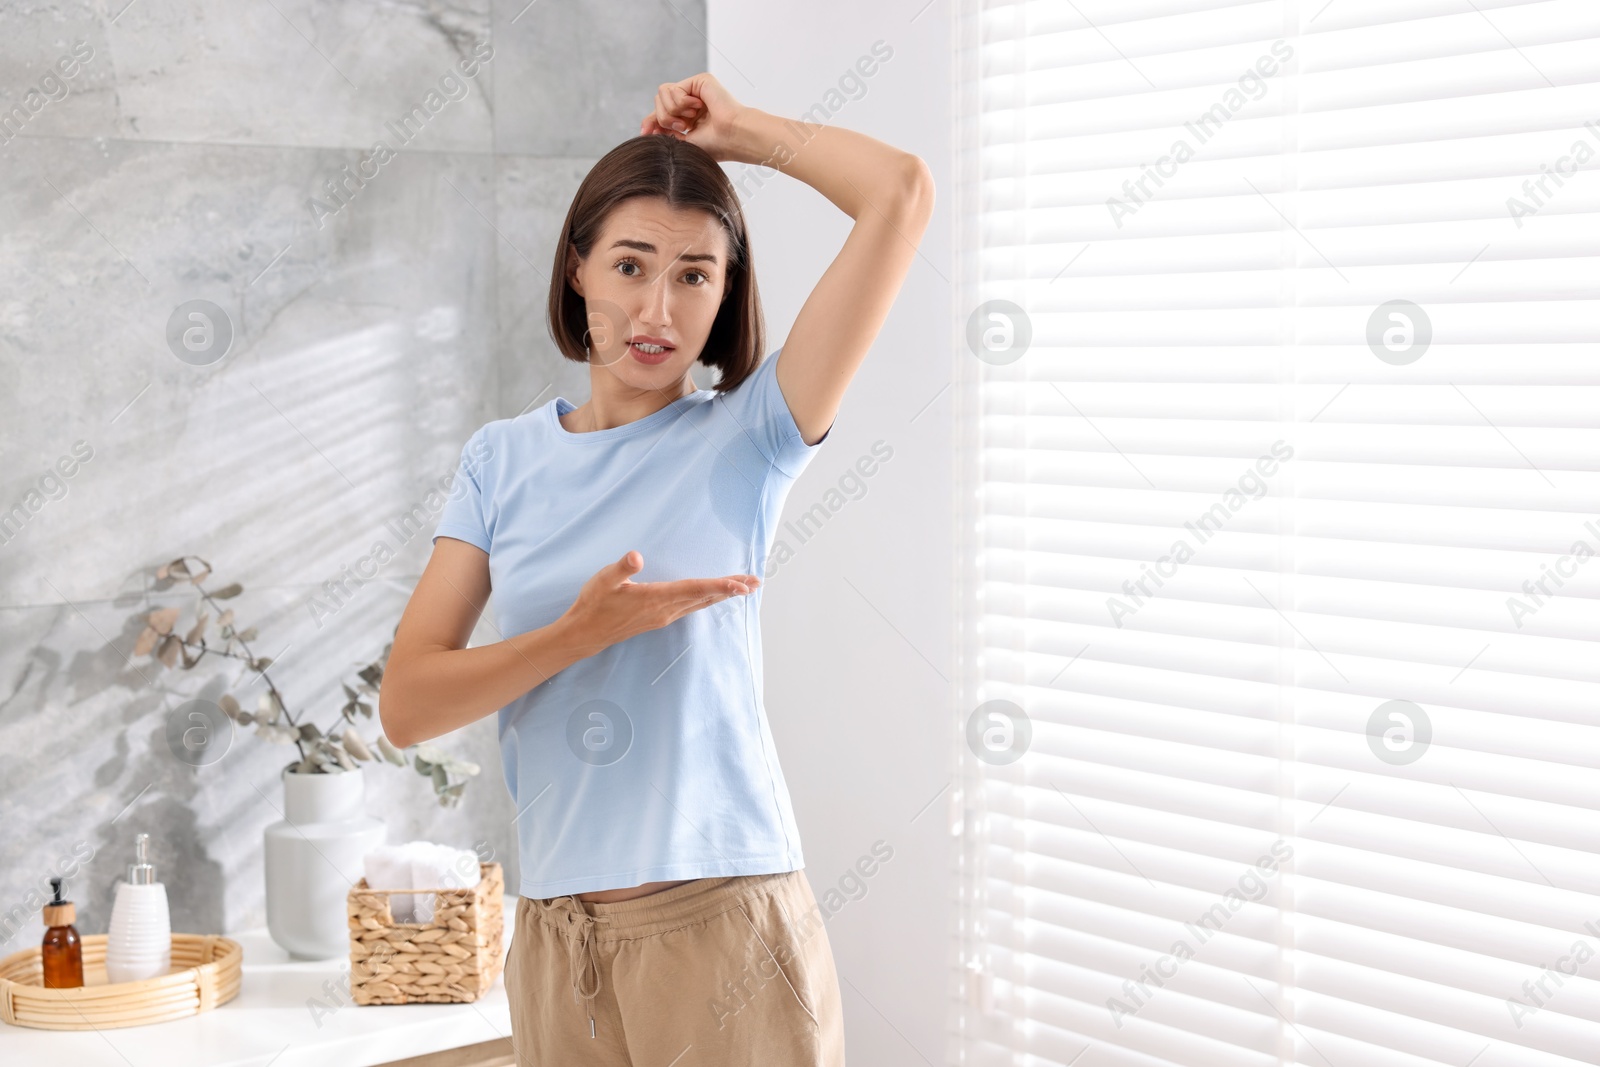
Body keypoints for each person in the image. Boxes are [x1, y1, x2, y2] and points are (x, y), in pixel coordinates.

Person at [380, 71, 933, 1066]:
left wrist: (741, 134)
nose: (657, 306)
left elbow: (898, 192)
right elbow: (409, 703)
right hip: (556, 939)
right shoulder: (498, 459)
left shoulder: (751, 436)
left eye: (694, 274)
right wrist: (574, 636)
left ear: (723, 297)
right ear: (580, 269)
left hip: (723, 929)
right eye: (631, 264)